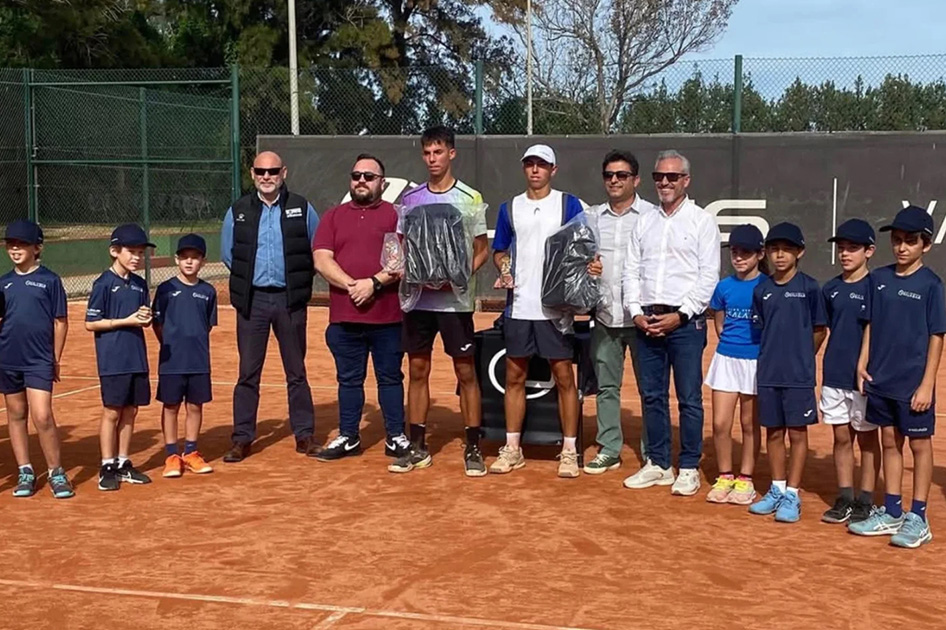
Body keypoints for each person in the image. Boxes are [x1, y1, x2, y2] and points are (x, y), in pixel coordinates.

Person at [389, 126, 489, 477]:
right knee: (417, 370)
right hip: (418, 303)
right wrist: (405, 270)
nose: (433, 159)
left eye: (439, 152)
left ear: (452, 154)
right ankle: (417, 446)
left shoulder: (470, 198)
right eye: (427, 153)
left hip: (455, 304)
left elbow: (482, 250)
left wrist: (458, 274)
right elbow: (401, 248)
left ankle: (473, 447)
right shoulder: (411, 199)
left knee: (465, 372)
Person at [621, 150, 720, 496]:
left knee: (689, 398)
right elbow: (630, 271)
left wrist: (681, 315)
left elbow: (709, 276)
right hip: (646, 319)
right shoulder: (644, 221)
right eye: (659, 176)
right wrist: (635, 311)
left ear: (685, 181)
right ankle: (659, 464)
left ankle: (689, 466)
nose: (664, 182)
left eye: (672, 177)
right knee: (651, 396)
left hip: (686, 324)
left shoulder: (701, 221)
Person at [850, 206, 945, 549]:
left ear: (926, 245)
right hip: (880, 378)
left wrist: (927, 384)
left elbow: (937, 336)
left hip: (912, 383)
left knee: (919, 446)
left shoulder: (932, 285)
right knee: (889, 443)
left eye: (910, 241)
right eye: (898, 241)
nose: (902, 247)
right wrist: (862, 363)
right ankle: (892, 511)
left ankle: (918, 517)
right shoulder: (879, 279)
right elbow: (871, 324)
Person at [490, 144, 585, 478]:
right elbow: (500, 249)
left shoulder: (569, 204)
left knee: (563, 378)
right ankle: (512, 448)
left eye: (541, 165)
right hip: (519, 307)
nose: (535, 170)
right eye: (529, 164)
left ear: (553, 170)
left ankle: (570, 451)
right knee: (514, 376)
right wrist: (504, 266)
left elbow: (585, 246)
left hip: (555, 309)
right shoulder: (509, 208)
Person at [220, 151, 320, 462]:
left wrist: (297, 284)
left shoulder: (302, 208)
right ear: (252, 174)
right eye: (261, 171)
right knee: (248, 373)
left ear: (283, 172)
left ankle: (304, 435)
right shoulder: (237, 211)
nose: (267, 176)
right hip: (253, 301)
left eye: (273, 171)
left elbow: (316, 251)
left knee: (296, 372)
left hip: (290, 301)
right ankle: (242, 438)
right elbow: (228, 255)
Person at [313, 154, 410, 462]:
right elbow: (322, 260)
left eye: (369, 176)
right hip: (344, 317)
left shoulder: (396, 216)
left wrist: (374, 284)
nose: (362, 181)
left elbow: (399, 261)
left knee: (390, 378)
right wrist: (354, 285)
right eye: (357, 176)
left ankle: (395, 436)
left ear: (383, 182)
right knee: (349, 380)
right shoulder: (333, 216)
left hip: (388, 317)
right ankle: (349, 436)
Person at [583, 150, 657, 475]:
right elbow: (576, 261)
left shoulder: (653, 216)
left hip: (644, 318)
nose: (614, 180)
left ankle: (654, 452)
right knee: (606, 388)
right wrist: (586, 268)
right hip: (604, 315)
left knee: (650, 389)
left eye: (622, 175)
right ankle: (610, 448)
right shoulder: (591, 217)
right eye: (609, 175)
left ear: (635, 180)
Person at [747, 223, 827, 523]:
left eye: (787, 250)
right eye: (774, 249)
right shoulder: (762, 289)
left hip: (798, 376)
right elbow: (762, 329)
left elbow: (820, 329)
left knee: (797, 432)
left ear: (800, 252)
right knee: (774, 432)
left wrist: (804, 357)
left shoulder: (809, 288)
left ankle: (793, 493)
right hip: (768, 373)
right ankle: (777, 488)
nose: (780, 256)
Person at [0, 220, 73, 498]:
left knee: (42, 416)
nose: (15, 248)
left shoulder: (50, 280)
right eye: (10, 244)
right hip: (8, 358)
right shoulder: (3, 283)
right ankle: (25, 470)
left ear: (37, 247)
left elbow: (60, 322)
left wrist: (55, 358)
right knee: (16, 415)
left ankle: (56, 471)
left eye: (21, 244)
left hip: (39, 359)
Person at [85, 223, 155, 491]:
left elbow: (142, 319)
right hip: (113, 359)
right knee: (112, 412)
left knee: (131, 410)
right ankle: (107, 465)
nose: (136, 257)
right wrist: (124, 321)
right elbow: (91, 323)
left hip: (136, 356)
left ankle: (124, 462)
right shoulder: (103, 283)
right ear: (115, 251)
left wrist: (145, 319)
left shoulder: (139, 284)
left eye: (140, 252)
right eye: (131, 251)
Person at [819, 219, 880, 524]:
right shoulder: (830, 288)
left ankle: (866, 500)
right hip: (834, 375)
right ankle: (845, 496)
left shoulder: (877, 287)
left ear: (869, 251)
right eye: (841, 248)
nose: (845, 254)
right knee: (841, 438)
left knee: (868, 440)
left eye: (852, 248)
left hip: (866, 380)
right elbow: (826, 329)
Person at [704, 224, 766, 505]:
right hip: (726, 360)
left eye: (746, 252)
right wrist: (727, 340)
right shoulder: (724, 287)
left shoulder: (766, 286)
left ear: (760, 254)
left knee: (749, 423)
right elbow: (719, 317)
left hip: (754, 362)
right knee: (720, 423)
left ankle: (746, 479)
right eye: (736, 252)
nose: (739, 257)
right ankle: (725, 475)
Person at [152, 234, 217, 478]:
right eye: (185, 257)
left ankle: (191, 452)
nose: (189, 262)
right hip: (171, 361)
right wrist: (170, 344)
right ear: (177, 259)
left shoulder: (207, 291)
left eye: (195, 258)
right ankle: (171, 455)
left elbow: (206, 325)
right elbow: (157, 324)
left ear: (203, 261)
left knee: (195, 406)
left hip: (199, 360)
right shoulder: (166, 289)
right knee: (171, 406)